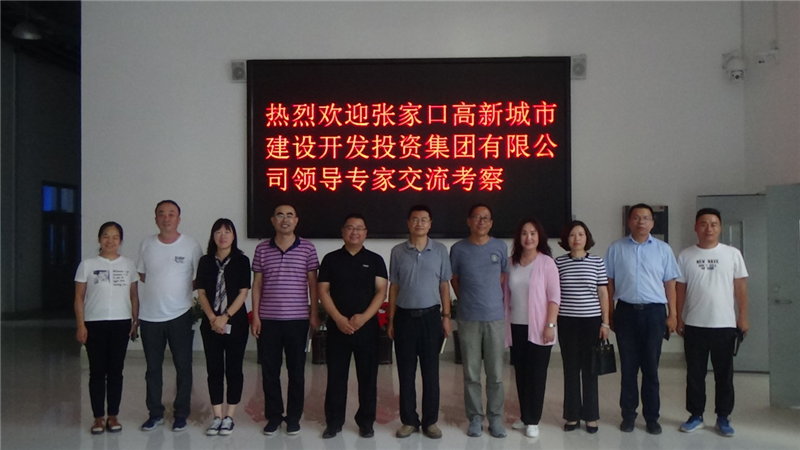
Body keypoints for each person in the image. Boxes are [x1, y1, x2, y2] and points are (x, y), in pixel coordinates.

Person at [605, 203, 680, 435]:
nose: (641, 222)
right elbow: (609, 284)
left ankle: (652, 418)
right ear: (629, 222)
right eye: (636, 218)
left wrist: (673, 314)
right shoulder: (616, 248)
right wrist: (609, 314)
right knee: (628, 369)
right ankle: (628, 416)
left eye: (646, 218)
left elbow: (670, 284)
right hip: (625, 312)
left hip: (654, 314)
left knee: (651, 369)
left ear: (652, 223)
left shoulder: (663, 249)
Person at [676, 208, 749, 437]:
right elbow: (680, 289)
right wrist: (678, 317)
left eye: (714, 224)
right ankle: (696, 415)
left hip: (724, 325)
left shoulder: (732, 254)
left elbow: (740, 288)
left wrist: (743, 316)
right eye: (704, 224)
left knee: (724, 375)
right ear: (696, 227)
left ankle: (723, 417)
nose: (709, 228)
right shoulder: (685, 255)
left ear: (720, 227)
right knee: (695, 374)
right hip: (695, 324)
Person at [251, 204, 320, 436]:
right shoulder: (262, 249)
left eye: (290, 215)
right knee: (269, 371)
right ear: (273, 220)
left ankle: (293, 417)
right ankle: (273, 416)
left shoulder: (307, 248)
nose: (285, 219)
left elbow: (313, 283)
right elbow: (257, 285)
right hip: (268, 320)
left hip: (297, 320)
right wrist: (256, 316)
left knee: (296, 371)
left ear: (296, 220)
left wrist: (314, 313)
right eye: (280, 215)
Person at [318, 213, 388, 439]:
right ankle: (334, 422)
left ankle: (366, 422)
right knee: (336, 377)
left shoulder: (375, 260)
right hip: (338, 328)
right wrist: (338, 319)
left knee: (368, 378)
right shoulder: (330, 259)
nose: (354, 232)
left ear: (365, 233)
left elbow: (381, 292)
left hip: (367, 328)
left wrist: (364, 318)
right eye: (350, 227)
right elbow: (323, 291)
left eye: (359, 228)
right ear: (343, 231)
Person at [138, 200, 203, 432]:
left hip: (180, 315)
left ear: (179, 219)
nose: (166, 218)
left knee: (183, 367)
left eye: (171, 214)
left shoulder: (191, 245)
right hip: (149, 317)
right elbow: (143, 275)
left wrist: (180, 289)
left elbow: (200, 277)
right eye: (162, 214)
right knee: (152, 369)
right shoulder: (146, 244)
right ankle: (155, 413)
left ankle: (181, 413)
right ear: (155, 218)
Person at [388, 205, 452, 440]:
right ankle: (409, 421)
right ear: (408, 223)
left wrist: (446, 317)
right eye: (415, 219)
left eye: (424, 220)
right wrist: (391, 320)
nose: (419, 224)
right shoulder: (397, 251)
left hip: (431, 318)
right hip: (404, 318)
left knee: (431, 372)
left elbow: (444, 285)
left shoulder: (440, 250)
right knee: (406, 372)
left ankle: (430, 422)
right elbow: (394, 287)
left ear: (430, 224)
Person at [450, 204, 509, 438]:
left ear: (491, 223)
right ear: (469, 221)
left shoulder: (500, 247)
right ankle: (475, 418)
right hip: (468, 318)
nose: (481, 222)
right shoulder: (458, 249)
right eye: (477, 217)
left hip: (494, 317)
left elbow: (502, 276)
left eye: (486, 218)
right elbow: (454, 279)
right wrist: (466, 298)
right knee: (471, 374)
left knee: (496, 374)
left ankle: (495, 419)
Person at [74, 222, 139, 435]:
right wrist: (81, 324)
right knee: (97, 371)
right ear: (99, 239)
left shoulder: (128, 264)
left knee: (116, 371)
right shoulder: (87, 264)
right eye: (105, 236)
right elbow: (79, 297)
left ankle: (113, 415)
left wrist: (135, 321)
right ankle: (98, 417)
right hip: (94, 323)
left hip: (121, 323)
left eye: (115, 237)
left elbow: (134, 295)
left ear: (120, 241)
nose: (110, 241)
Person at [502, 218, 560, 438]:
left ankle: (533, 420)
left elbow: (554, 298)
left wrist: (550, 325)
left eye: (533, 233)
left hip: (539, 328)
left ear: (539, 237)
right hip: (516, 326)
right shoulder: (511, 263)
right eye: (524, 233)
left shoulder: (546, 263)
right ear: (519, 238)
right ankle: (525, 415)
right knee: (521, 373)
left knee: (536, 375)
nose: (528, 237)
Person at [196, 219, 251, 436]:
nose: (222, 236)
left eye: (227, 232)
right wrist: (213, 318)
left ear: (233, 236)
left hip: (236, 323)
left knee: (234, 369)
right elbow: (201, 292)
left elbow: (243, 293)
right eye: (218, 232)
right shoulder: (205, 261)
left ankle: (229, 417)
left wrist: (225, 317)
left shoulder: (241, 260)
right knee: (214, 369)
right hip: (210, 324)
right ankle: (217, 416)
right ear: (213, 236)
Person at [555, 220, 610, 434]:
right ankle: (572, 415)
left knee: (590, 370)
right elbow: (554, 293)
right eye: (572, 235)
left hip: (591, 322)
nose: (576, 238)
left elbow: (603, 293)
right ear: (566, 239)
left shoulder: (597, 262)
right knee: (570, 369)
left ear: (587, 238)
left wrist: (605, 322)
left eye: (580, 234)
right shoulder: (559, 263)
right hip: (567, 322)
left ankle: (591, 416)